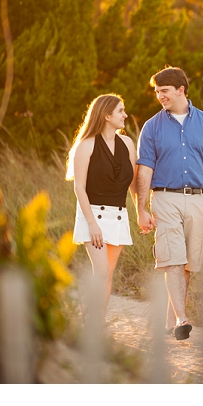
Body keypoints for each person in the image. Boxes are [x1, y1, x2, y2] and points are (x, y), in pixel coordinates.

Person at [135, 66, 203, 341]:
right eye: (156, 92)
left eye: (163, 91)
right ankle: (181, 318)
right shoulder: (151, 127)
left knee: (187, 264)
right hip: (164, 198)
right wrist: (141, 208)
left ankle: (170, 317)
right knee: (173, 258)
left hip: (199, 200)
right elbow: (145, 170)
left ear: (181, 90)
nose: (159, 96)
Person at [66, 94, 137, 315]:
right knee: (103, 272)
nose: (125, 115)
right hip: (92, 215)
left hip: (118, 215)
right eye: (120, 111)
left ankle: (97, 323)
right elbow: (79, 188)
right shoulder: (85, 146)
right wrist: (92, 224)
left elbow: (133, 183)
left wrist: (141, 211)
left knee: (108, 273)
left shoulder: (127, 143)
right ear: (107, 116)